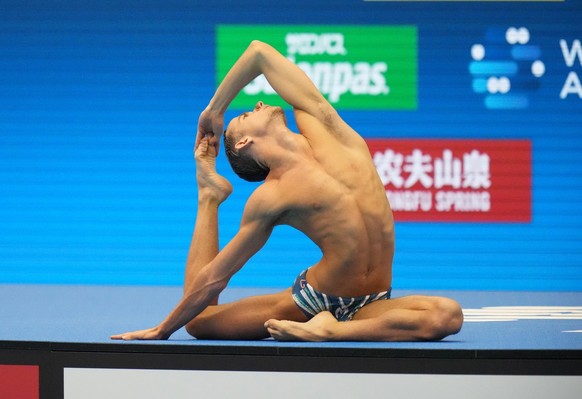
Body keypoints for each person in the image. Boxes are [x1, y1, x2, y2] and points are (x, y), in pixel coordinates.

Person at [111, 40, 463, 342]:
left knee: (448, 315)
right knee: (199, 324)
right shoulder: (271, 197)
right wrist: (163, 329)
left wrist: (216, 111)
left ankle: (330, 332)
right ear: (246, 142)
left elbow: (259, 54)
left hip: (373, 302)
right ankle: (209, 195)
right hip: (315, 299)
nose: (260, 103)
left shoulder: (324, 124)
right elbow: (216, 275)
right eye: (247, 114)